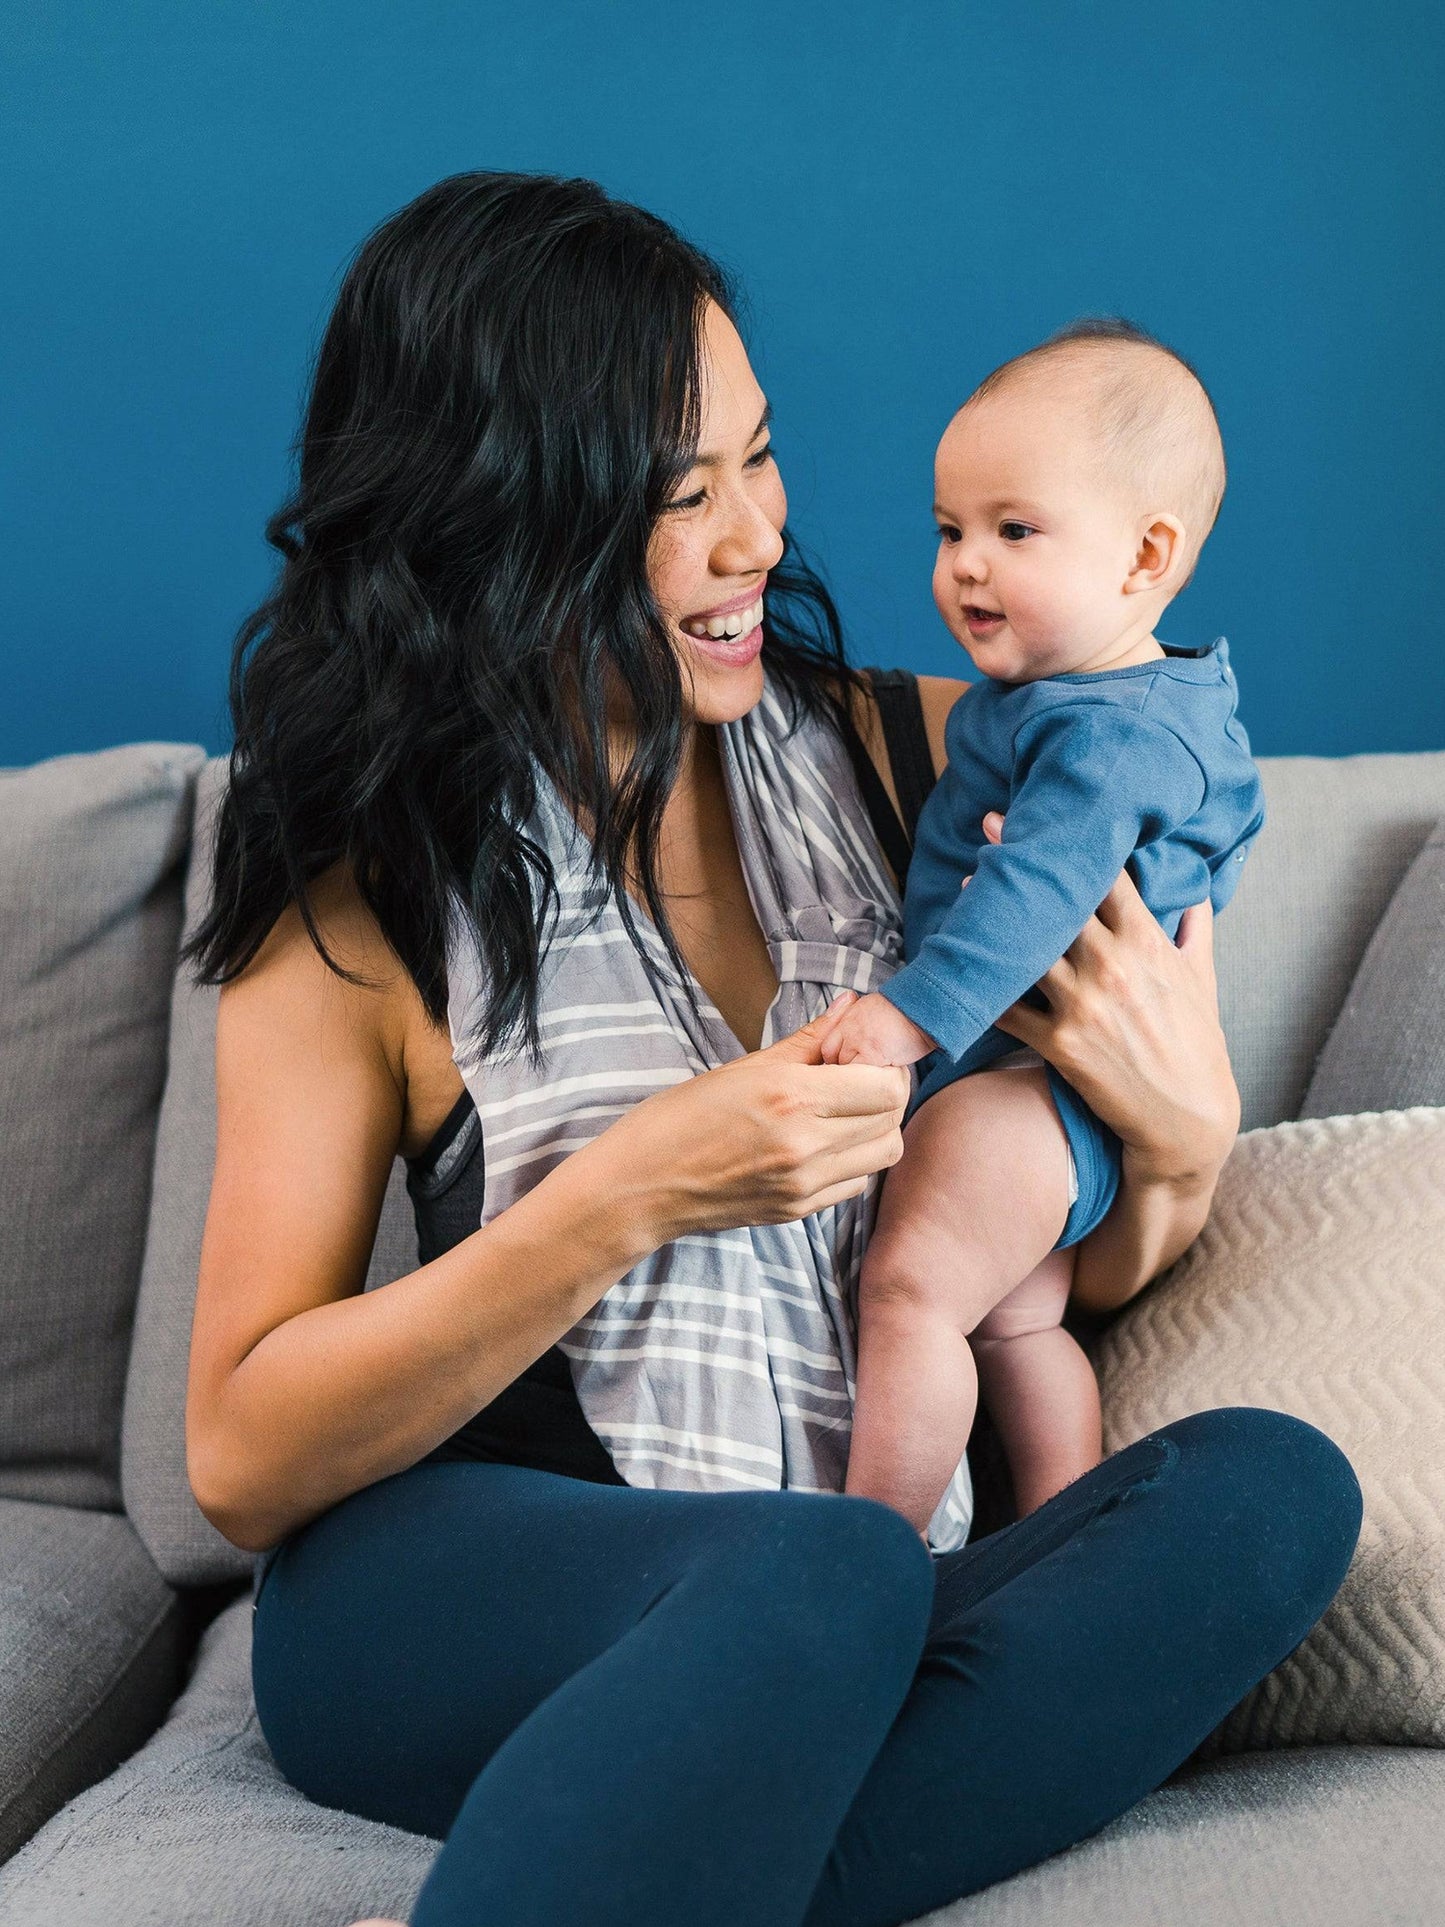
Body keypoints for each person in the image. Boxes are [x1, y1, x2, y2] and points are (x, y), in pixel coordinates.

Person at [183, 172, 1360, 1927]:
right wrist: (619, 1200)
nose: (756, 537)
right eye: (680, 494)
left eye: (759, 455)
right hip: (466, 1600)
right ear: (500, 523)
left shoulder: (953, 769)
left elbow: (1061, 1261)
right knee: (816, 1574)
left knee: (1269, 1495)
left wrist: (1183, 1144)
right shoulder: (363, 897)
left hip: (863, 1597)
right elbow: (241, 1449)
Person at [823, 321, 1265, 1536]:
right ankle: (1060, 1540)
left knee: (907, 1291)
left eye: (1012, 531)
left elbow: (1034, 896)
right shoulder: (1109, 700)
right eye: (947, 529)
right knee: (1016, 1322)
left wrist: (907, 1020)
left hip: (1026, 1088)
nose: (964, 565)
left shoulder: (1104, 735)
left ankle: (867, 1548)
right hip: (1065, 1107)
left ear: (1144, 555)